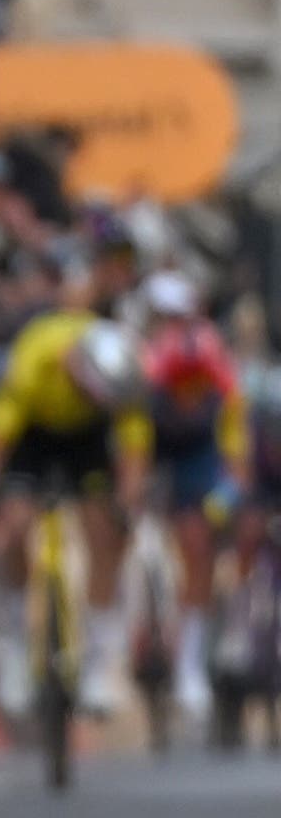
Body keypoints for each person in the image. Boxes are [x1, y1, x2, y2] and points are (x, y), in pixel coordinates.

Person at [0, 306, 152, 718]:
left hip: (88, 440)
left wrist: (126, 504)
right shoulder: (37, 357)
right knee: (13, 525)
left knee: (107, 529)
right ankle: (17, 642)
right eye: (87, 392)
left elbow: (133, 447)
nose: (88, 398)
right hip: (32, 432)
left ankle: (98, 660)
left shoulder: (121, 374)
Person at [139, 269, 247, 719]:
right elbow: (134, 425)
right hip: (155, 448)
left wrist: (231, 485)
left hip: (199, 457)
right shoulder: (145, 353)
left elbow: (234, 423)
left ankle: (190, 664)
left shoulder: (207, 349)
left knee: (198, 545)